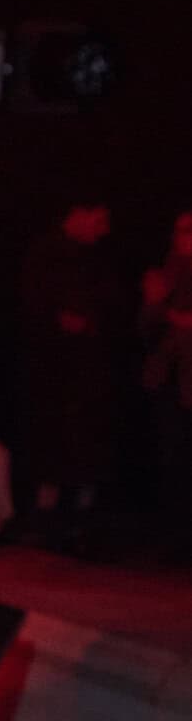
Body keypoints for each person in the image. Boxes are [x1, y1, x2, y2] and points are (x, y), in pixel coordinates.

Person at [16, 197, 126, 531]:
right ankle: (44, 517)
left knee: (88, 446)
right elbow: (30, 306)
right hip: (54, 371)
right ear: (78, 214)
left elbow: (115, 306)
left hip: (89, 374)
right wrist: (57, 321)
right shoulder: (45, 256)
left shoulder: (100, 261)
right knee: (53, 445)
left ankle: (81, 521)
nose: (103, 230)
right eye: (98, 220)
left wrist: (91, 323)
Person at [140, 210, 192, 561]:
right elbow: (146, 328)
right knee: (172, 458)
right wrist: (155, 306)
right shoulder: (166, 273)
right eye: (179, 230)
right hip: (168, 380)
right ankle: (174, 538)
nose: (183, 236)